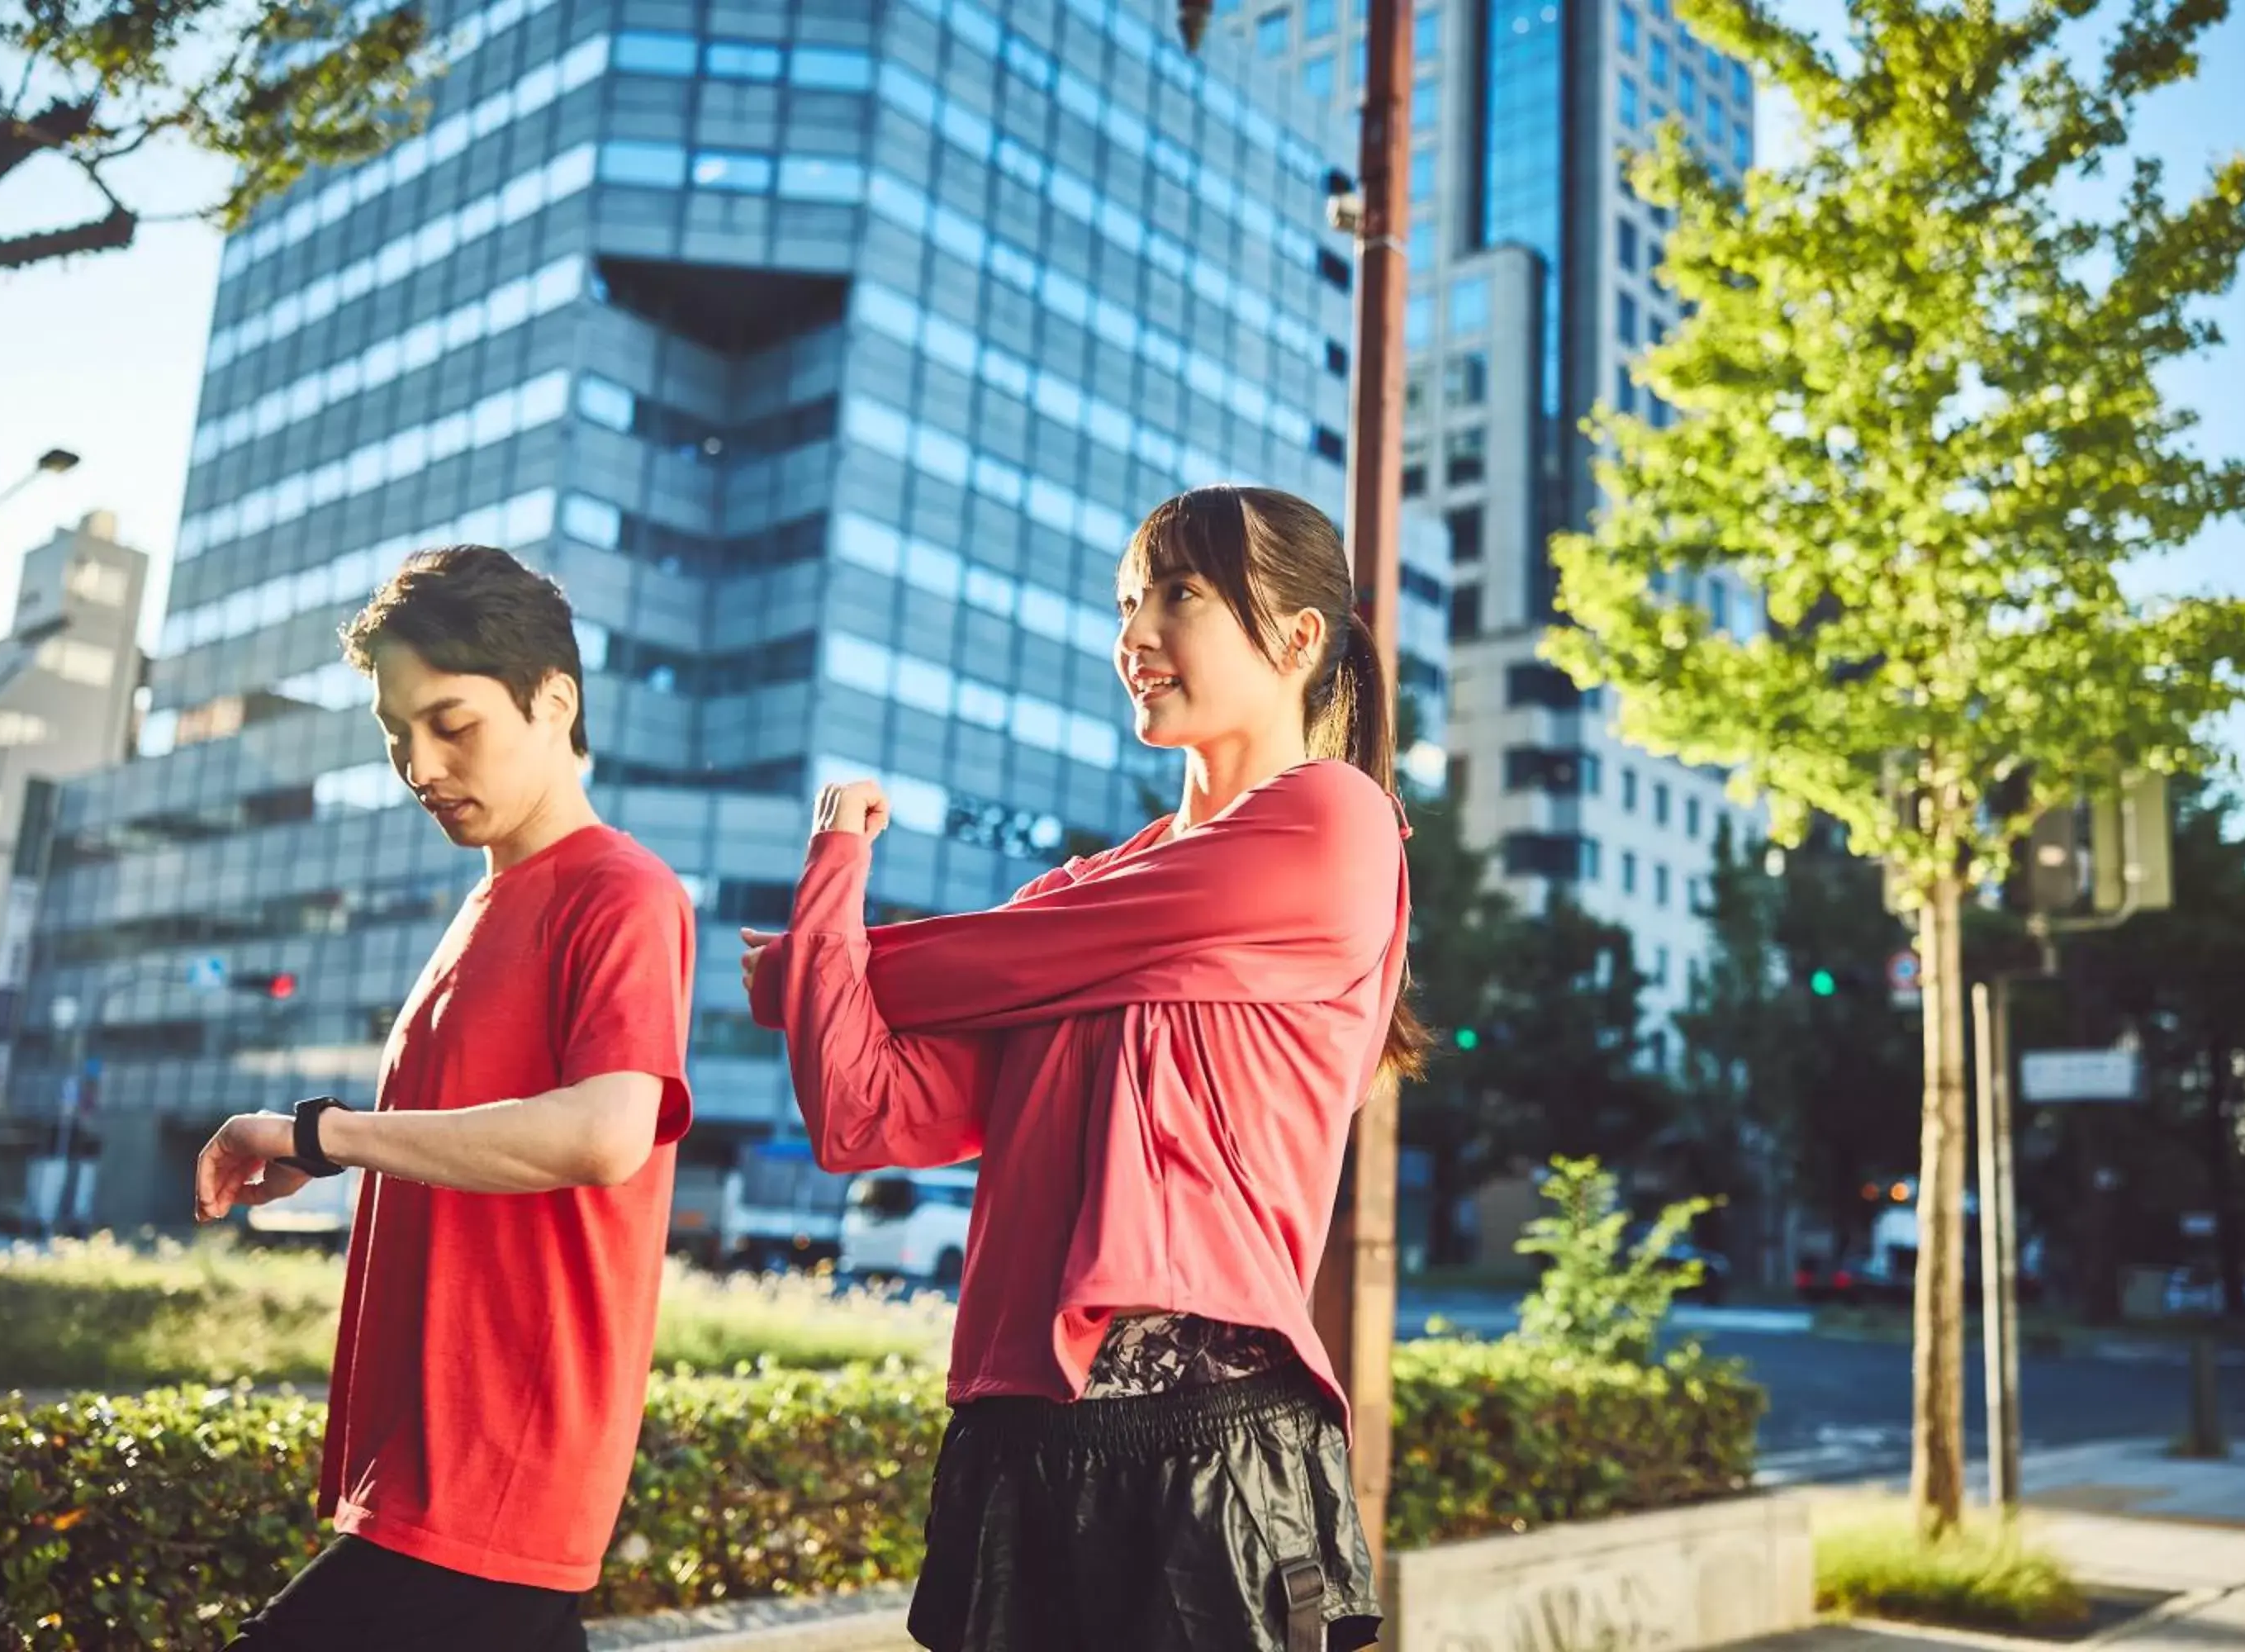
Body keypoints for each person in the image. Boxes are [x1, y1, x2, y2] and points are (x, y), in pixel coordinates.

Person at [742, 485, 1423, 1652]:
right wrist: (837, 863)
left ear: (1300, 638)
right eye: (1125, 604)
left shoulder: (1335, 820)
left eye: (1179, 597)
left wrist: (822, 962)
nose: (1135, 636)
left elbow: (912, 978)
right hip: (1016, 1444)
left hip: (1208, 1449)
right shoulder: (1080, 898)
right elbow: (864, 1116)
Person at [193, 545, 695, 1651]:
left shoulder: (623, 894)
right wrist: (332, 1155)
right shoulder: (480, 912)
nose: (418, 764)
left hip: (499, 1476)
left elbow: (608, 1132)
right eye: (394, 736)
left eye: (451, 724)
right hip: (429, 1472)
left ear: (553, 702)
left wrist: (316, 1133)